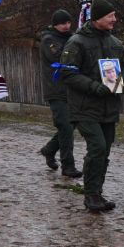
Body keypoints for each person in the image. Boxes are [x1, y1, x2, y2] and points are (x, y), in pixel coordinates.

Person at [60, 0, 124, 211]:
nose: (115, 20)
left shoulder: (115, 43)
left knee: (105, 149)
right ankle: (90, 195)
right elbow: (68, 73)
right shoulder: (77, 42)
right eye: (111, 16)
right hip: (84, 107)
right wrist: (93, 87)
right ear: (98, 17)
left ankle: (97, 193)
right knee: (98, 147)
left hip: (109, 106)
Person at [39, 9, 82, 178]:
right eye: (62, 23)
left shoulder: (72, 38)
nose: (66, 26)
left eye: (68, 22)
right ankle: (68, 166)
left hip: (72, 89)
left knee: (71, 125)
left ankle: (49, 150)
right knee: (65, 126)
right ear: (55, 24)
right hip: (56, 89)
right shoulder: (48, 39)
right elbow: (60, 57)